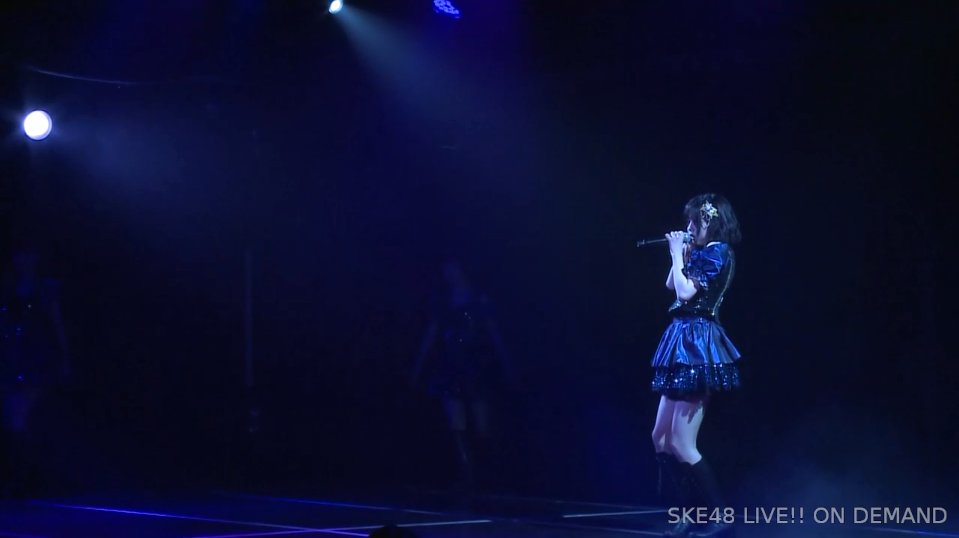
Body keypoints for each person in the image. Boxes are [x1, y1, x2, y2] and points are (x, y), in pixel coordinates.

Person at [649, 194, 742, 537]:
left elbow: (686, 294)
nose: (688, 227)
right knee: (661, 438)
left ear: (709, 221)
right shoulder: (701, 251)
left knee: (681, 442)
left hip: (698, 344)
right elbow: (671, 284)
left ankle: (721, 516)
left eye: (693, 222)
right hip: (680, 339)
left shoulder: (719, 251)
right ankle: (684, 515)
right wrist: (681, 254)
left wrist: (678, 254)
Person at [410, 259, 512, 492]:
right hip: (451, 365)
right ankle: (468, 472)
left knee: (482, 426)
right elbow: (431, 334)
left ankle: (490, 471)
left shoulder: (479, 299)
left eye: (454, 269)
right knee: (457, 425)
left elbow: (493, 332)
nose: (450, 274)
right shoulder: (443, 301)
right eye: (447, 270)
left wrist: (506, 362)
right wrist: (418, 366)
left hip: (475, 364)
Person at [0, 244, 70, 497]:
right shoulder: (8, 287)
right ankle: (22, 478)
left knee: (20, 417)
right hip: (12, 356)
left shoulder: (46, 288)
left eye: (28, 255)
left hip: (36, 357)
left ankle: (25, 480)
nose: (23, 260)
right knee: (13, 418)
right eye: (19, 255)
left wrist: (64, 357)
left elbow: (56, 322)